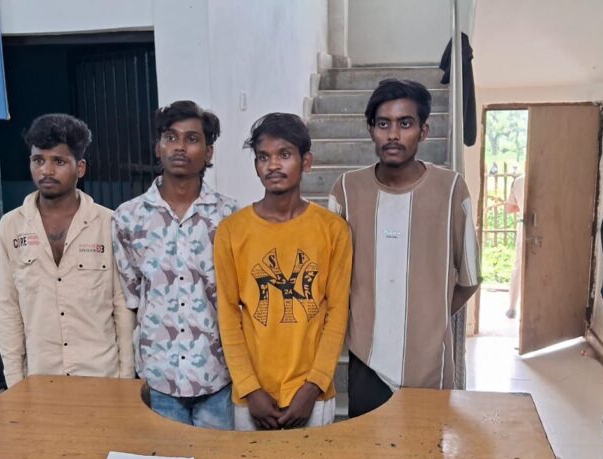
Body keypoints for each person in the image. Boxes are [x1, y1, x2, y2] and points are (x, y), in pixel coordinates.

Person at [328, 79, 480, 418]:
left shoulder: (451, 189)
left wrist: (430, 315)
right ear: (371, 130)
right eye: (383, 124)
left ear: (424, 131)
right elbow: (331, 278)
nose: (393, 135)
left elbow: (469, 278)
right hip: (366, 361)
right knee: (367, 448)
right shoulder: (346, 190)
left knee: (427, 447)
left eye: (405, 123)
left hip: (430, 364)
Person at [215, 113, 352, 431]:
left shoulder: (333, 230)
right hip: (252, 398)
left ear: (307, 162)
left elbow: (337, 313)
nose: (273, 165)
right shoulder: (232, 231)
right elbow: (228, 315)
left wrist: (314, 386)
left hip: (313, 397)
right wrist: (250, 388)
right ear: (256, 166)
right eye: (264, 157)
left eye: (284, 154)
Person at [113, 101, 238, 429]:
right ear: (158, 147)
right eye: (171, 137)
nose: (180, 147)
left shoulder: (230, 217)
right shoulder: (128, 218)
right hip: (159, 378)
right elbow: (131, 296)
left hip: (218, 375)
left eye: (192, 139)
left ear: (208, 152)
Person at [0, 113, 135, 387]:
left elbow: (122, 306)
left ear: (80, 168)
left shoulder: (108, 223)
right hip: (40, 377)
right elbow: (8, 308)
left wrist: (126, 380)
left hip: (101, 376)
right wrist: (14, 381)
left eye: (58, 161)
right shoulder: (12, 226)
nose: (46, 171)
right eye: (38, 161)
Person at [504, 174, 524, 319]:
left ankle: (512, 307)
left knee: (519, 266)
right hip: (544, 223)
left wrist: (521, 206)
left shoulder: (518, 181)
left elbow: (509, 208)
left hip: (524, 224)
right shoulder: (547, 177)